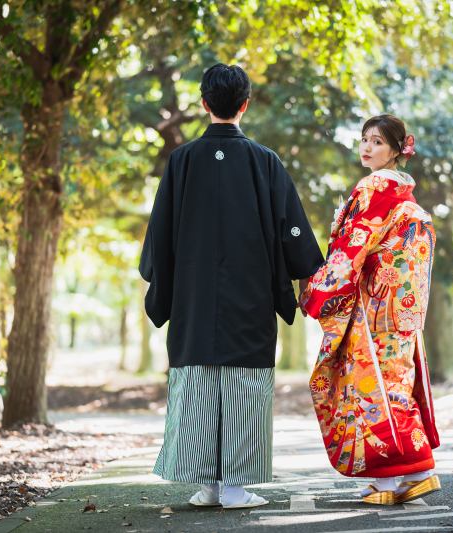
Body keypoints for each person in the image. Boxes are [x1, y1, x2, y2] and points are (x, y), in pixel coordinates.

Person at [139, 63, 324, 509]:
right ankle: (236, 488)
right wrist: (305, 279)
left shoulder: (181, 161)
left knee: (198, 382)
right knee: (245, 385)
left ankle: (206, 486)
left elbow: (159, 237)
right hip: (251, 295)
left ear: (204, 104)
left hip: (193, 296)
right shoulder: (265, 161)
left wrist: (163, 284)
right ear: (244, 104)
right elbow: (292, 233)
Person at [300, 113, 441, 505]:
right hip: (403, 307)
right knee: (393, 380)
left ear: (398, 150)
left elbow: (352, 248)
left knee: (374, 384)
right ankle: (393, 479)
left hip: (376, 305)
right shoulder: (405, 196)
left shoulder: (376, 187)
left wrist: (318, 290)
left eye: (378, 142)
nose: (367, 147)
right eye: (364, 139)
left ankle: (414, 468)